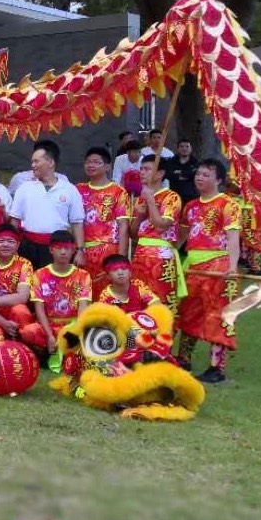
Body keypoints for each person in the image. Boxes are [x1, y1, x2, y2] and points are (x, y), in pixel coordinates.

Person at [175, 159, 241, 383]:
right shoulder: (191, 206)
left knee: (217, 315)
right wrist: (169, 253)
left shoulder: (228, 204)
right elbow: (182, 237)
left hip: (217, 265)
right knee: (188, 312)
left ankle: (217, 368)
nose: (199, 178)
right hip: (193, 265)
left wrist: (232, 266)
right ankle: (183, 359)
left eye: (206, 175)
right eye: (198, 174)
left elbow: (233, 238)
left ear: (219, 180)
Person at [9, 140, 85, 269]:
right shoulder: (24, 188)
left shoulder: (69, 189)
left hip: (58, 249)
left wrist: (80, 251)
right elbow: (14, 221)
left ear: (50, 162)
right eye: (32, 162)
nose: (33, 165)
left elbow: (77, 223)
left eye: (36, 161)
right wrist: (12, 246)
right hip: (28, 247)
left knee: (54, 281)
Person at [26, 230, 93, 364]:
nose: (63, 252)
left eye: (67, 248)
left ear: (73, 250)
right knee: (29, 331)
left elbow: (83, 308)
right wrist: (50, 335)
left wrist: (76, 331)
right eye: (59, 248)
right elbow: (39, 309)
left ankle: (60, 353)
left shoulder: (83, 275)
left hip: (72, 325)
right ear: (51, 250)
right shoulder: (39, 274)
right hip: (49, 325)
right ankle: (51, 349)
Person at [127, 154, 185, 305]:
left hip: (161, 257)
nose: (142, 172)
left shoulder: (171, 197)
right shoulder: (140, 198)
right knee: (139, 298)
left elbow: (161, 226)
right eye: (141, 169)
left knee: (161, 298)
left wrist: (151, 201)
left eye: (147, 169)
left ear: (160, 174)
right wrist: (139, 217)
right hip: (140, 255)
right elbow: (132, 234)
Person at [76, 146, 130, 291]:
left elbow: (123, 226)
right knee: (84, 291)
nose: (91, 165)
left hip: (108, 250)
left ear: (107, 167)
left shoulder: (118, 191)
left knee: (108, 292)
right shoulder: (78, 189)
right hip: (83, 250)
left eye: (96, 162)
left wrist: (121, 257)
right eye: (88, 162)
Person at [0, 223, 36, 343]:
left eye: (10, 241)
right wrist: (3, 322)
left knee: (20, 311)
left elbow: (22, 297)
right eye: (1, 241)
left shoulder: (24, 264)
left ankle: (25, 346)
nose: (5, 244)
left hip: (12, 308)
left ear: (18, 245)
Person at [96, 254, 161, 312]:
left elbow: (156, 304)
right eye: (115, 270)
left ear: (130, 273)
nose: (120, 273)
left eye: (124, 268)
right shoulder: (105, 297)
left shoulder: (137, 285)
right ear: (108, 276)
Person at [167, 138, 199, 203]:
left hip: (192, 196)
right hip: (174, 197)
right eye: (181, 146)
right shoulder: (171, 162)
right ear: (177, 148)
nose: (184, 149)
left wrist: (180, 173)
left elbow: (195, 175)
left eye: (187, 146)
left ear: (191, 148)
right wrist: (187, 174)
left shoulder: (196, 162)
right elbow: (169, 175)